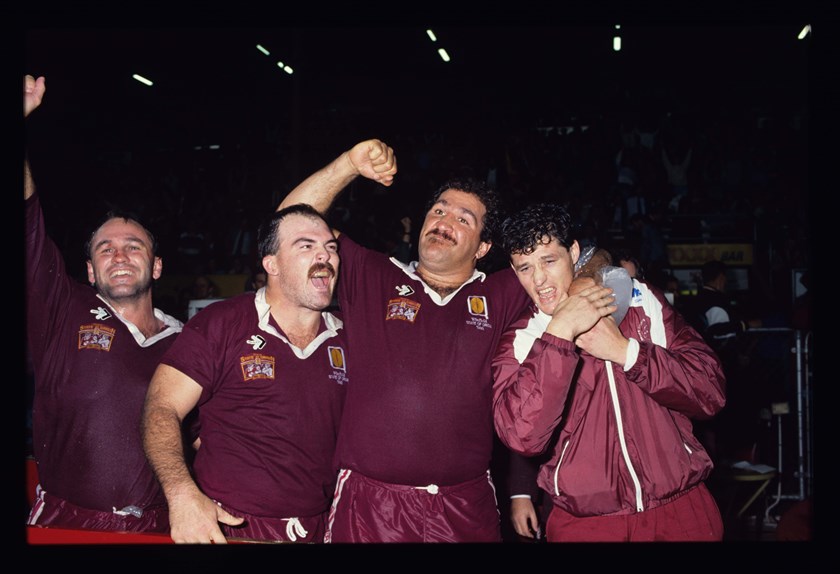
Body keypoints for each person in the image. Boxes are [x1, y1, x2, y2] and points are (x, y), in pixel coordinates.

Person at [278, 143, 532, 542]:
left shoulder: (504, 291)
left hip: (464, 506)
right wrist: (348, 165)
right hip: (369, 505)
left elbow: (583, 261)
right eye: (439, 210)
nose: (445, 220)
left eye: (463, 218)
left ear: (483, 248)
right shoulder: (373, 275)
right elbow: (290, 224)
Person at [492, 202, 726, 542]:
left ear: (573, 252)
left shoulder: (641, 301)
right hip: (586, 523)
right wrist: (559, 334)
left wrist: (626, 352)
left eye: (549, 260)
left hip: (681, 509)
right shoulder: (521, 338)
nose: (539, 279)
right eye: (524, 267)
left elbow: (710, 391)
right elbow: (522, 435)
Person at [24, 75, 184, 532]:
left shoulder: (191, 342)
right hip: (64, 523)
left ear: (155, 267)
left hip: (158, 528)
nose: (118, 254)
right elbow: (26, 221)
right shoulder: (62, 312)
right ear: (90, 271)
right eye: (104, 248)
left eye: (134, 246)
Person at [142, 204, 351, 543]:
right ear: (271, 264)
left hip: (319, 526)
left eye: (330, 247)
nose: (324, 256)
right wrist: (181, 493)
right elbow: (160, 407)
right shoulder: (221, 323)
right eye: (306, 246)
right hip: (229, 526)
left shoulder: (349, 336)